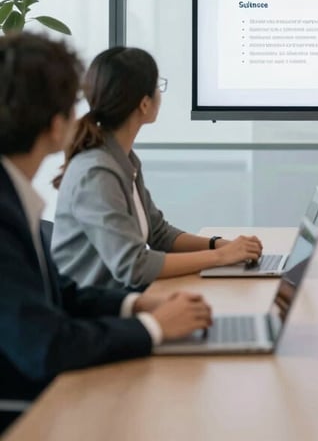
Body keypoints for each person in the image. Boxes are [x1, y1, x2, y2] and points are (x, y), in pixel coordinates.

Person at [0, 33, 213, 433]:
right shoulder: (17, 206)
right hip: (33, 406)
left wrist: (135, 308)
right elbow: (47, 345)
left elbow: (59, 296)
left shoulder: (13, 197)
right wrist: (154, 328)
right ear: (58, 125)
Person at [51, 46, 263, 291]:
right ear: (144, 103)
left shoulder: (123, 159)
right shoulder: (96, 173)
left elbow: (159, 234)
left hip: (125, 298)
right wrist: (220, 258)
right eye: (158, 86)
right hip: (97, 313)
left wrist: (221, 245)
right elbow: (134, 266)